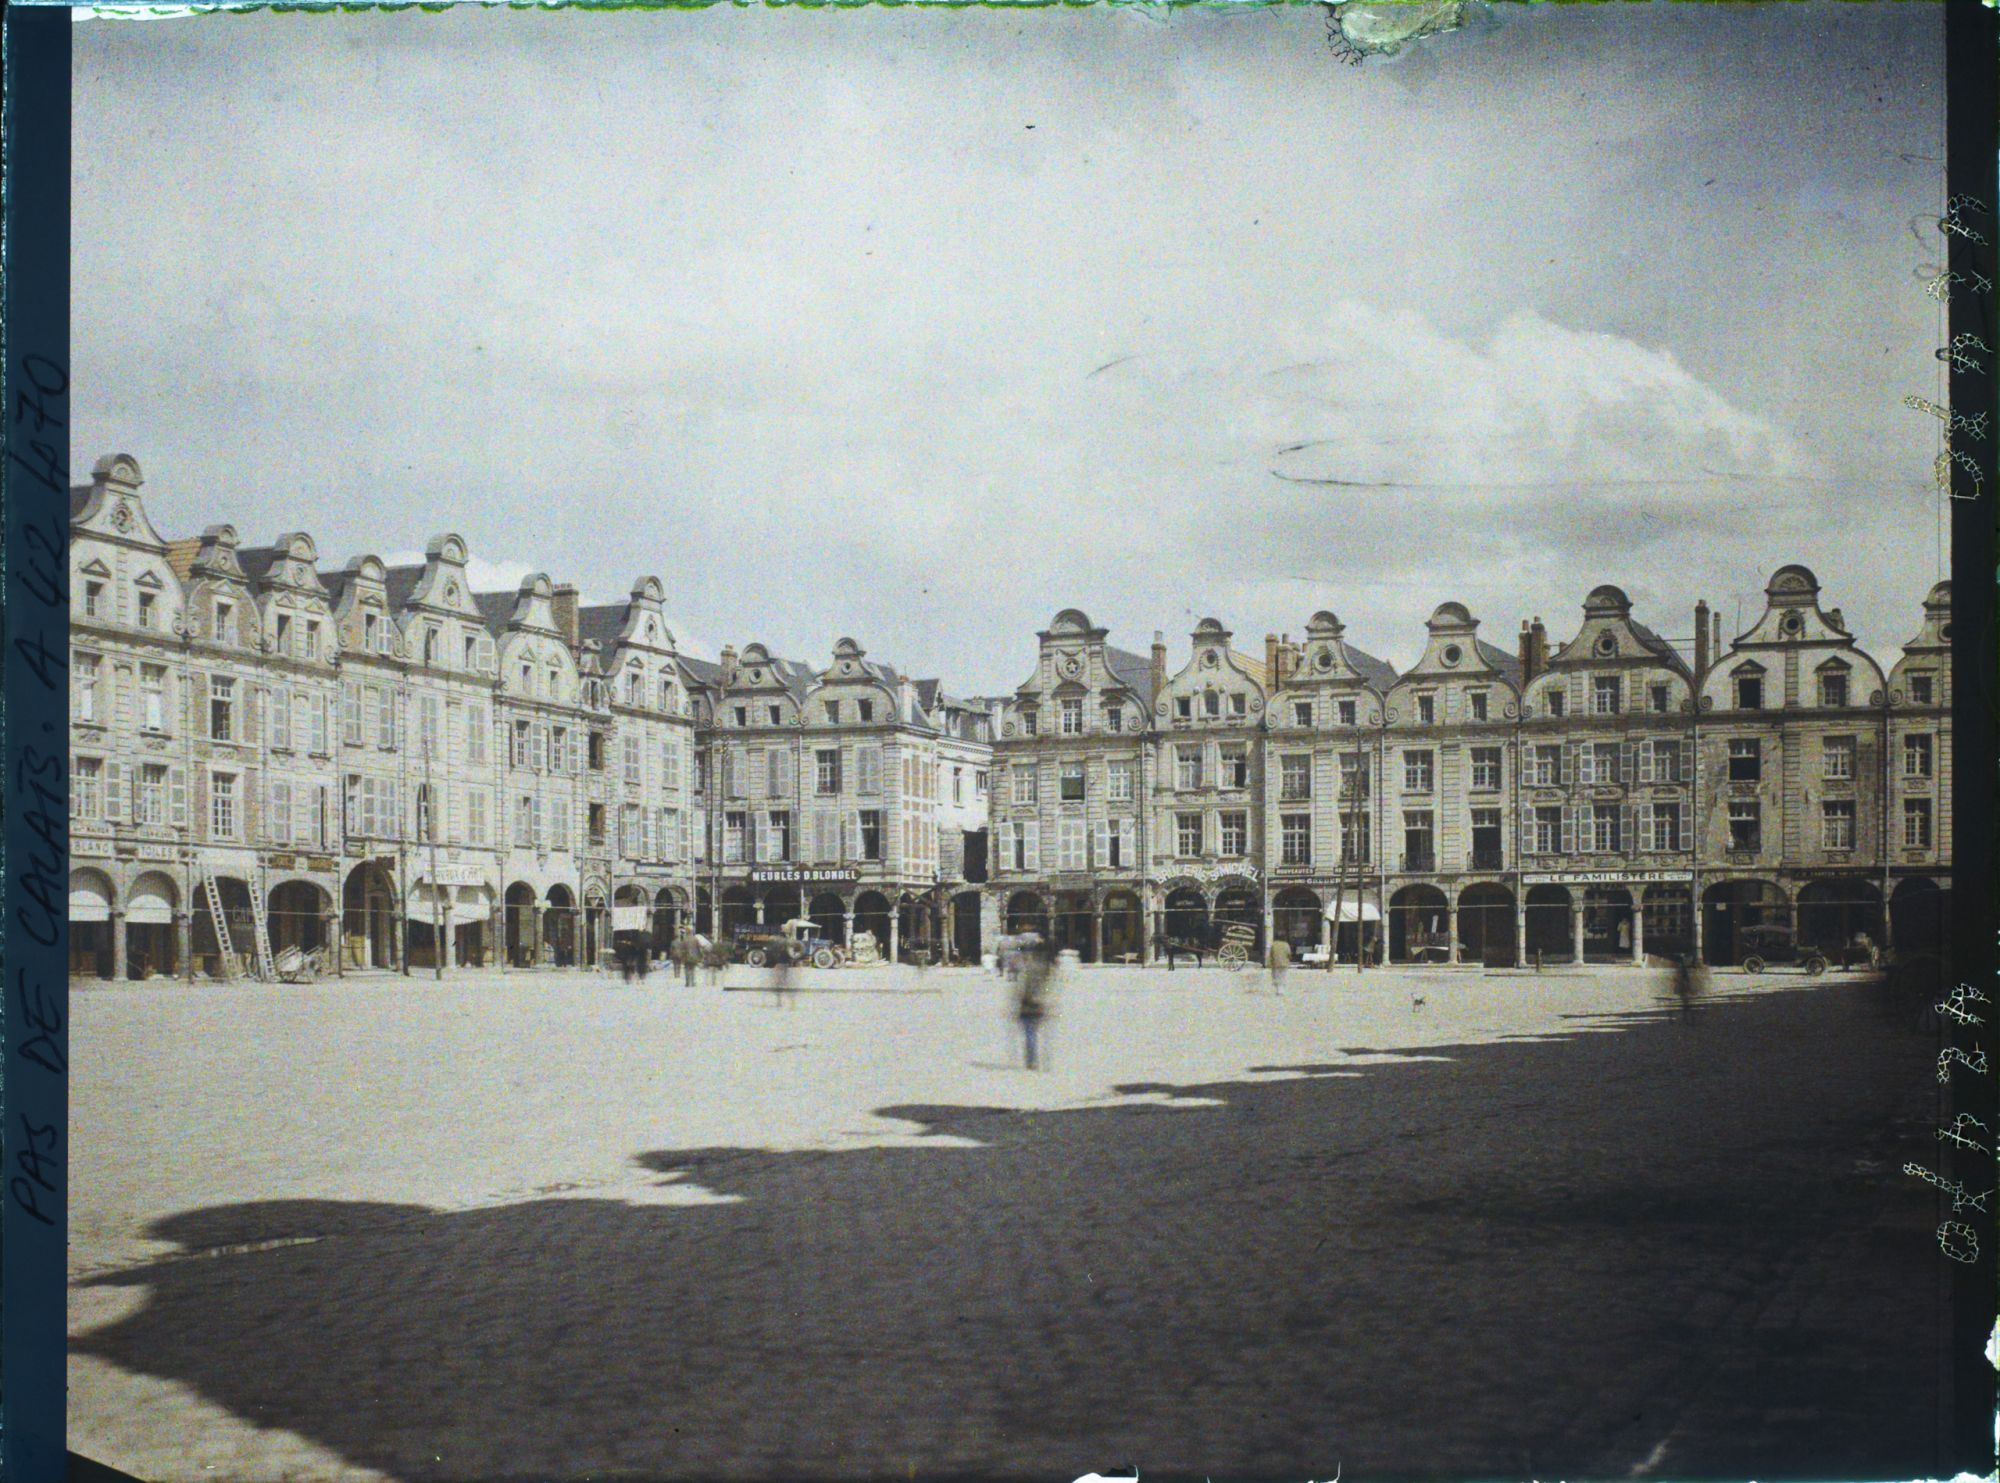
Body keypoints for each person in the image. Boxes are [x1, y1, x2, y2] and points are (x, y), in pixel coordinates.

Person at [1016, 938, 1052, 1070]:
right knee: (1035, 1033)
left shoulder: (1030, 967)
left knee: (1030, 1033)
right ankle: (1038, 1059)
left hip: (1029, 1004)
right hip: (1039, 1004)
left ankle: (1032, 1060)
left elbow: (1026, 987)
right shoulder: (1045, 969)